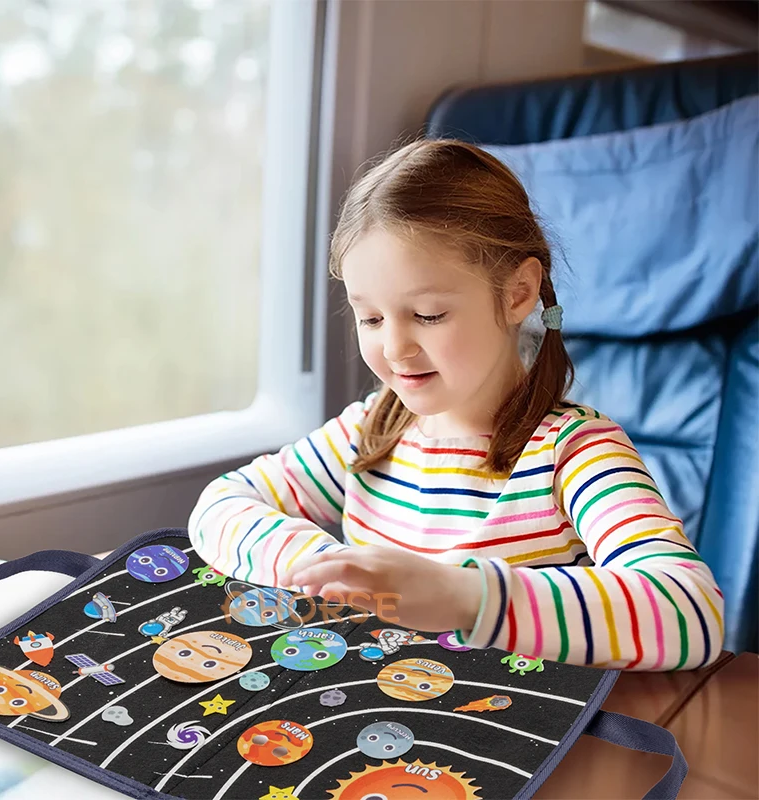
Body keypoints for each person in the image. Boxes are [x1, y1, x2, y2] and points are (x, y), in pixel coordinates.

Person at [188, 139, 724, 670]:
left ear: (517, 294)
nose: (395, 348)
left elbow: (691, 612)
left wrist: (466, 598)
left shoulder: (573, 454)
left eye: (427, 315)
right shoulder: (371, 430)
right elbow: (220, 504)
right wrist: (325, 566)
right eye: (371, 319)